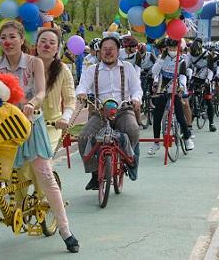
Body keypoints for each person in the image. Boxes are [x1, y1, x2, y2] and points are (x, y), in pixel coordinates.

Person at [0, 22, 79, 254]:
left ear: (22, 39)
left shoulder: (34, 63)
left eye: (12, 36)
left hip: (30, 126)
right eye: (3, 37)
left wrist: (32, 103)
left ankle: (65, 231)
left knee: (45, 175)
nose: (7, 41)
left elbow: (40, 91)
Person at [76, 35, 142, 188]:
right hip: (100, 111)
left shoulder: (127, 67)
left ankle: (130, 160)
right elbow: (82, 85)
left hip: (123, 109)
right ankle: (94, 173)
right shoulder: (92, 69)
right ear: (99, 52)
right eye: (104, 49)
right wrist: (81, 93)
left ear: (118, 51)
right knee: (84, 137)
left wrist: (137, 98)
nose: (108, 52)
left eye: (111, 49)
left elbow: (136, 88)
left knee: (132, 130)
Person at [148, 37, 195, 155]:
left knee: (179, 115)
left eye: (175, 47)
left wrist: (183, 86)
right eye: (170, 47)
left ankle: (187, 138)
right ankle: (156, 142)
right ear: (167, 48)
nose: (172, 49)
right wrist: (161, 60)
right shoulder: (161, 58)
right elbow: (154, 72)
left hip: (176, 84)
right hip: (163, 85)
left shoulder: (182, 60)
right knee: (157, 116)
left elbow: (183, 75)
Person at [35, 27, 76, 149]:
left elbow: (70, 100)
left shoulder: (63, 70)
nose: (46, 45)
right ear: (36, 45)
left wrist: (65, 118)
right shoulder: (27, 66)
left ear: (57, 49)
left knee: (43, 155)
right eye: (42, 41)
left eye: (52, 43)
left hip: (51, 125)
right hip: (28, 123)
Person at [186, 38, 217, 132]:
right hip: (195, 74)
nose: (194, 56)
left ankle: (211, 123)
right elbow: (186, 65)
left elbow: (211, 69)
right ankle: (190, 117)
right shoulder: (189, 54)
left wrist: (208, 80)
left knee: (208, 99)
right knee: (188, 94)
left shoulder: (208, 55)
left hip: (207, 74)